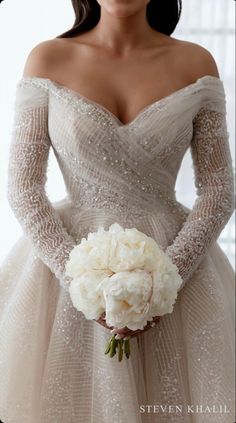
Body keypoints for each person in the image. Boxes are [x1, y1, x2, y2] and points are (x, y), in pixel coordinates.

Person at [0, 0, 235, 422]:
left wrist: (164, 281)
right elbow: (23, 186)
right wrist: (80, 281)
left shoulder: (196, 63)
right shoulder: (48, 58)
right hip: (64, 267)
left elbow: (218, 188)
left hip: (177, 261)